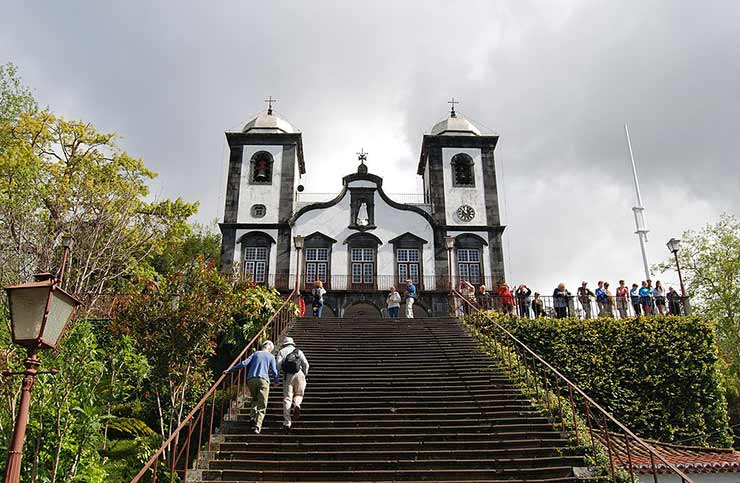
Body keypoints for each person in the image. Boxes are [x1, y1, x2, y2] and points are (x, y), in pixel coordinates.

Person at [226, 340, 280, 434]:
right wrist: (276, 381)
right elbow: (274, 371)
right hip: (263, 380)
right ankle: (258, 426)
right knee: (262, 404)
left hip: (251, 379)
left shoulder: (255, 353)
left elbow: (244, 363)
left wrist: (230, 370)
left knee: (255, 398)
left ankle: (252, 417)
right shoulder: (271, 356)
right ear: (270, 349)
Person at [276, 337, 310, 431]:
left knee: (287, 398)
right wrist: (304, 374)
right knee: (299, 394)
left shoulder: (281, 352)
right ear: (292, 343)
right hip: (299, 374)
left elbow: (278, 366)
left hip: (288, 376)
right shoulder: (298, 351)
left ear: (284, 344)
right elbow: (306, 364)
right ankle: (297, 405)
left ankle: (287, 422)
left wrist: (277, 378)